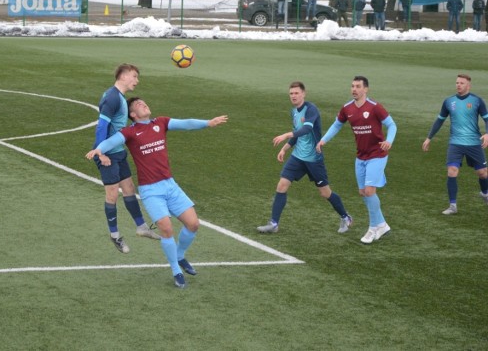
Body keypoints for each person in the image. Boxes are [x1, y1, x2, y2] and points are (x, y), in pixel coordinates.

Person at [86, 97, 228, 288]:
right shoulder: (130, 132)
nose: (143, 104)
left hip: (170, 185)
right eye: (138, 105)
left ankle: (179, 255)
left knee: (193, 224)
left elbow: (185, 124)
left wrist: (208, 123)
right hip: (150, 190)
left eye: (144, 102)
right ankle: (176, 270)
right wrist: (99, 150)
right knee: (166, 227)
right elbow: (111, 141)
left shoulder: (161, 122)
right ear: (133, 115)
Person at [257, 82, 352, 235]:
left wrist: (286, 135)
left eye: (296, 93)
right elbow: (298, 133)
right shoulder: (294, 112)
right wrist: (285, 148)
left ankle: (345, 217)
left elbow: (307, 128)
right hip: (297, 157)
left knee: (325, 193)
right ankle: (273, 223)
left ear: (303, 94)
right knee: (282, 185)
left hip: (314, 159)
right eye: (291, 94)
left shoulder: (311, 109)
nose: (293, 96)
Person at [317, 76, 397, 244]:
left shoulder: (375, 107)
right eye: (352, 86)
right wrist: (324, 140)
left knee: (369, 191)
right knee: (363, 193)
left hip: (377, 154)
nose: (354, 89)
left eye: (358, 86)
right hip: (361, 156)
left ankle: (373, 227)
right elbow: (337, 124)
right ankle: (382, 224)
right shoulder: (347, 108)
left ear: (365, 89)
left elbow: (392, 125)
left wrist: (389, 141)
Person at [91, 64, 160, 254]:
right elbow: (101, 127)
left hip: (118, 152)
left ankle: (141, 227)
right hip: (108, 154)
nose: (137, 81)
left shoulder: (118, 97)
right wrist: (101, 152)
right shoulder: (113, 97)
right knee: (112, 194)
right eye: (134, 76)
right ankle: (115, 236)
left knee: (129, 188)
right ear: (123, 76)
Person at [422, 74, 488, 215]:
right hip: (455, 143)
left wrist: (487, 133)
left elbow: (487, 119)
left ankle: (485, 193)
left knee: (483, 173)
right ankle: (453, 205)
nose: (458, 85)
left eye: (462, 83)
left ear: (468, 85)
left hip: (474, 143)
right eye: (457, 82)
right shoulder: (449, 102)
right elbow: (439, 120)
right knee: (452, 171)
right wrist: (429, 138)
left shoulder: (477, 101)